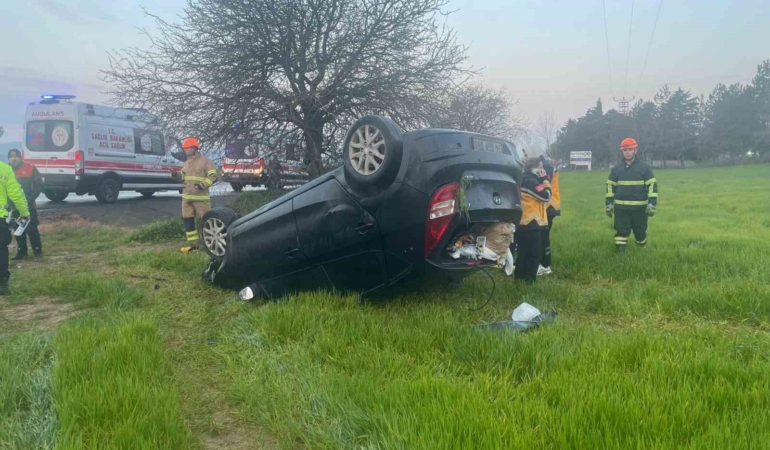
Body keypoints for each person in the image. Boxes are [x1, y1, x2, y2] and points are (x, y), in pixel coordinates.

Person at [606, 138, 658, 253]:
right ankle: (620, 252)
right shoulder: (616, 168)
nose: (627, 152)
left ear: (635, 150)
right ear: (622, 151)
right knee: (621, 230)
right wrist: (609, 204)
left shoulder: (644, 167)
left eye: (630, 149)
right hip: (621, 208)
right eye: (625, 150)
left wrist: (652, 204)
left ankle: (641, 249)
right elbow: (610, 186)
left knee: (640, 231)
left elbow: (652, 185)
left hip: (639, 209)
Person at [170, 137, 218, 253]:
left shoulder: (205, 161)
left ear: (194, 148)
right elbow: (183, 177)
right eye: (185, 148)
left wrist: (202, 185)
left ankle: (212, 244)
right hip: (187, 198)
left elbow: (213, 176)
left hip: (200, 198)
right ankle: (193, 245)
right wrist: (175, 175)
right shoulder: (186, 162)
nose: (185, 150)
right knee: (188, 222)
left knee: (206, 221)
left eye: (187, 148)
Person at [514, 157, 551, 283]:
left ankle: (519, 279)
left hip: (526, 223)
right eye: (540, 168)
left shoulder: (526, 179)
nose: (542, 171)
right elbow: (546, 196)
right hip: (531, 223)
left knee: (523, 253)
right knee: (534, 254)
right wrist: (545, 181)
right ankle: (529, 281)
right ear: (534, 168)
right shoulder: (530, 181)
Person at [7, 149, 43, 259]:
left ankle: (37, 252)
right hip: (13, 207)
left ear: (20, 157)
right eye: (11, 156)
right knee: (18, 230)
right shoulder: (6, 170)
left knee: (31, 229)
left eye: (16, 156)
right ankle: (21, 252)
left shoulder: (30, 169)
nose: (14, 158)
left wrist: (30, 200)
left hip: (28, 206)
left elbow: (38, 186)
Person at [0, 160, 30, 295]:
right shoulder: (4, 169)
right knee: (1, 250)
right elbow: (16, 194)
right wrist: (24, 213)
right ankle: (2, 284)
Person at [538, 154, 560, 276]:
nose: (525, 156)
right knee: (541, 236)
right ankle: (541, 264)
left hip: (549, 206)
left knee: (543, 237)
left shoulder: (544, 166)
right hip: (545, 206)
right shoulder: (543, 164)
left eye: (526, 154)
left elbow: (543, 186)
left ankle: (545, 266)